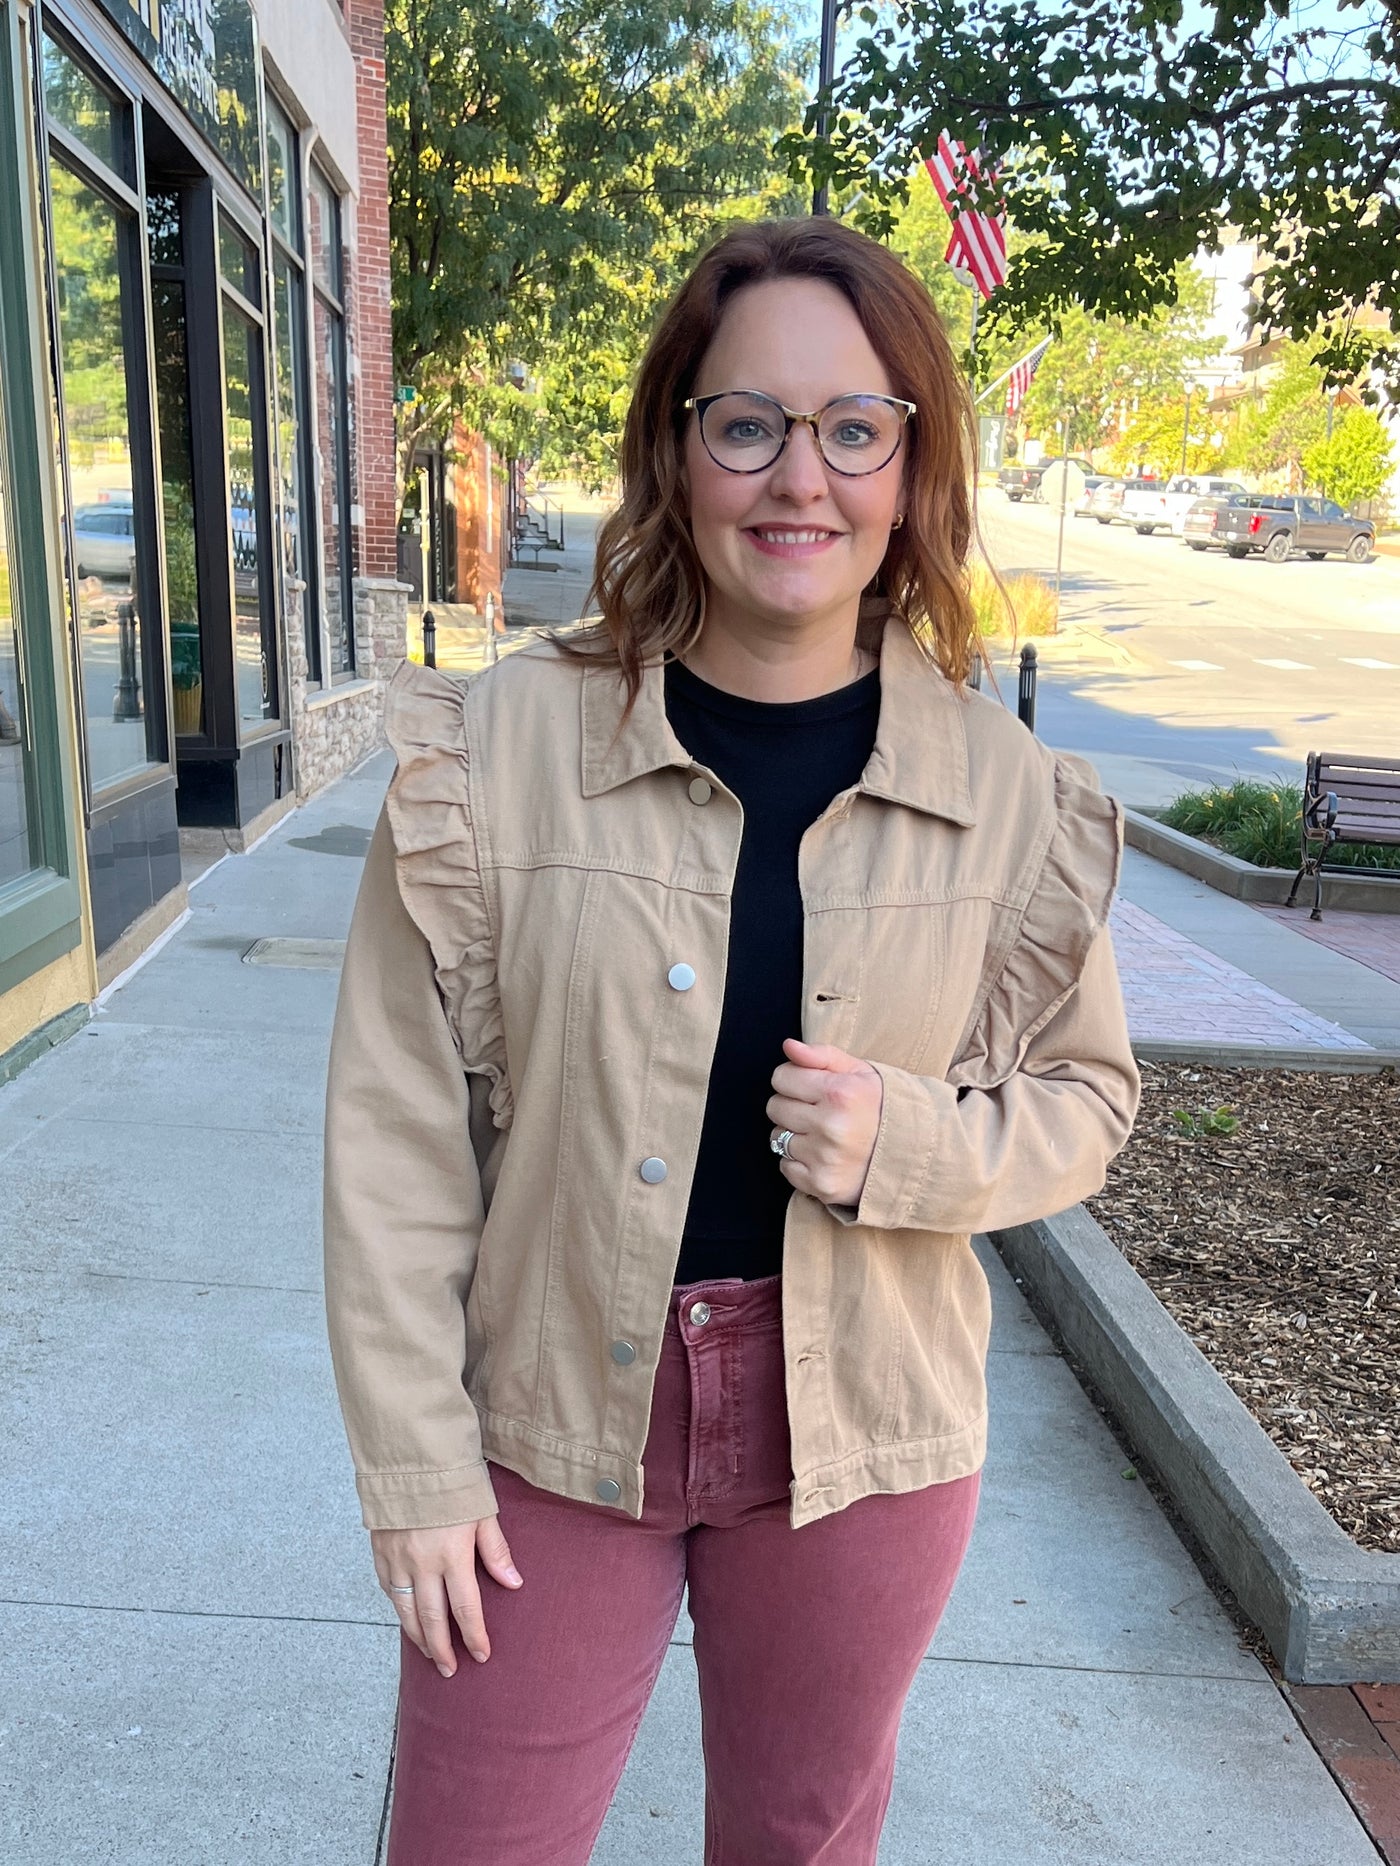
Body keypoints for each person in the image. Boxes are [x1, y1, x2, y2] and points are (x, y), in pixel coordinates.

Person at [323, 216, 1140, 1865]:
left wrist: (907, 1141)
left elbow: (1086, 1098)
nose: (800, 477)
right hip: (553, 1406)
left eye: (855, 428)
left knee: (802, 1844)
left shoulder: (1009, 794)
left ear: (909, 466)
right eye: (748, 422)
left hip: (867, 1435)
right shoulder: (498, 751)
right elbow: (394, 1141)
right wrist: (413, 1462)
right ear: (678, 445)